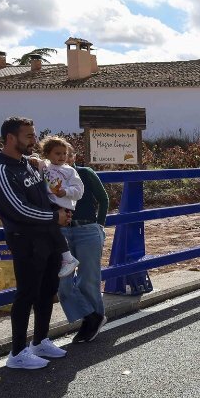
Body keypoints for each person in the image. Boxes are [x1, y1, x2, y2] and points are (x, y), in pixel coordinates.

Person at [0, 117, 72, 370]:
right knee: (27, 294)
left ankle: (40, 340)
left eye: (34, 135)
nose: (34, 140)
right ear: (11, 138)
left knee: (47, 291)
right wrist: (54, 216)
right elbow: (17, 209)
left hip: (46, 237)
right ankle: (17, 352)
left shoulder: (28, 163)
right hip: (25, 240)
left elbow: (44, 194)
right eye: (29, 136)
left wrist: (60, 209)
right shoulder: (0, 170)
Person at [58, 146, 110, 343]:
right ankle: (92, 316)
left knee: (88, 278)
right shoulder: (52, 177)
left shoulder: (85, 173)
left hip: (87, 230)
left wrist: (100, 225)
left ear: (73, 157)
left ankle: (91, 321)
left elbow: (103, 199)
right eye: (59, 154)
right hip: (62, 232)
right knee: (62, 282)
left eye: (67, 154)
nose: (64, 158)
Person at [29, 136, 82, 278]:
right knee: (49, 231)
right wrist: (33, 158)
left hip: (63, 206)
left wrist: (66, 192)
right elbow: (35, 160)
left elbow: (79, 191)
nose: (62, 156)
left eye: (64, 153)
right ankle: (64, 260)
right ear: (47, 154)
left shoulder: (70, 171)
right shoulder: (45, 165)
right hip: (48, 204)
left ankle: (68, 258)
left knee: (51, 227)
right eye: (57, 153)